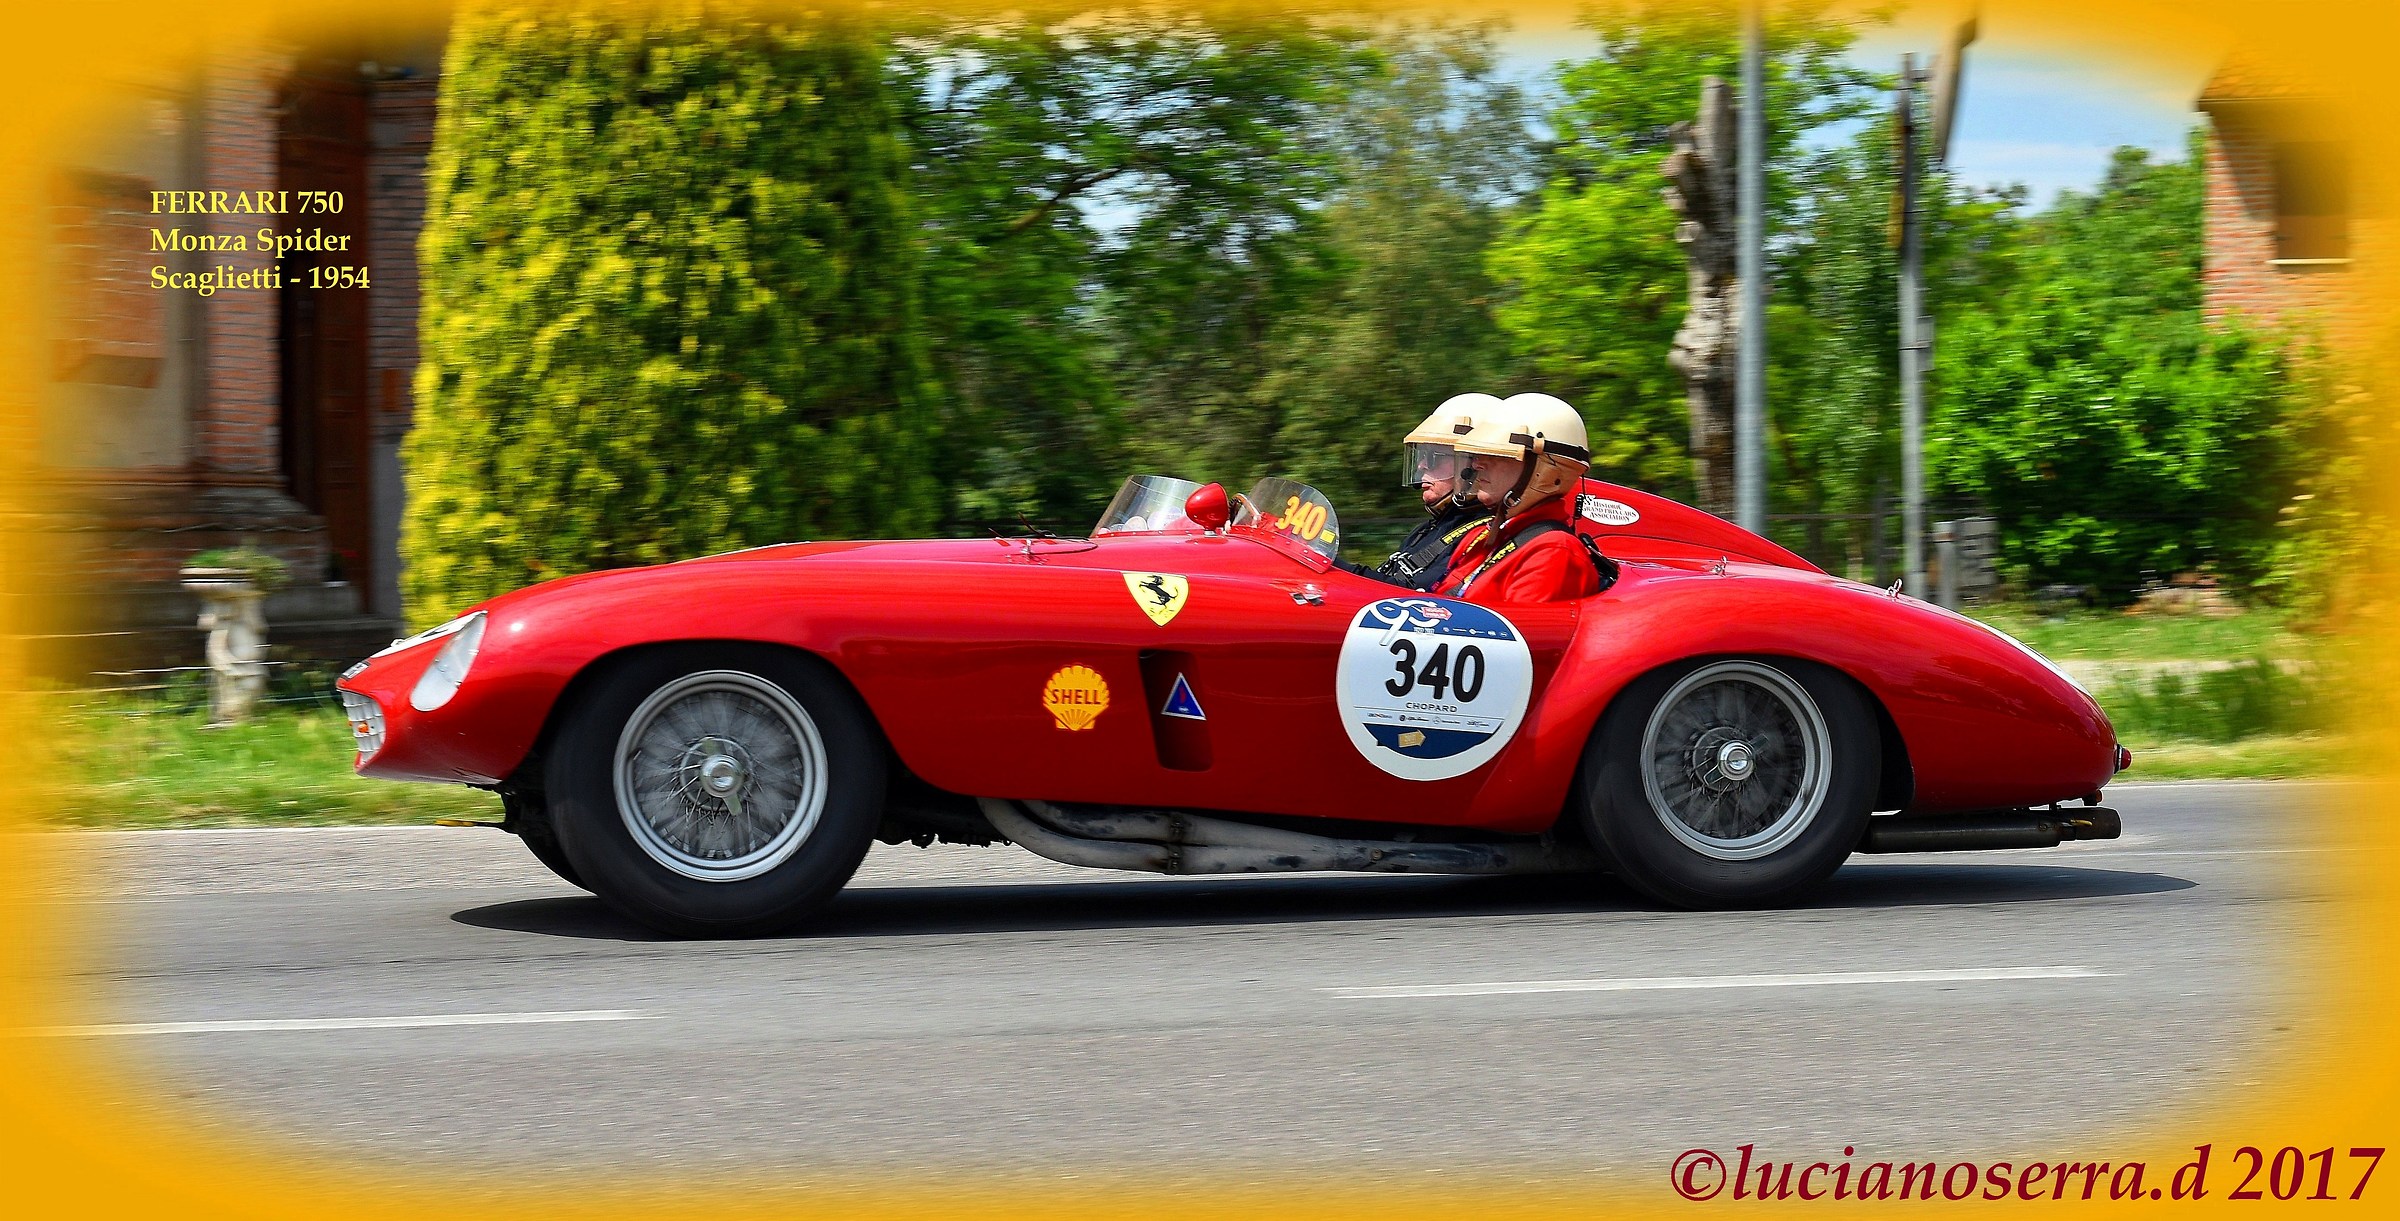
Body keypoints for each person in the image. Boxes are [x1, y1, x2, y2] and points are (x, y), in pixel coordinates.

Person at [1437, 393, 1611, 605]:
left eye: (1496, 454)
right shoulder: (1482, 535)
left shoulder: (1553, 552)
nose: (1476, 465)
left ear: (1545, 471)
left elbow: (1520, 634)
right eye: (1477, 454)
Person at [1376, 394, 1499, 590]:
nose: (1422, 465)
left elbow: (1412, 594)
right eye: (1422, 455)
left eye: (1434, 456)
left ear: (1475, 464)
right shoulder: (1425, 530)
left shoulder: (1485, 535)